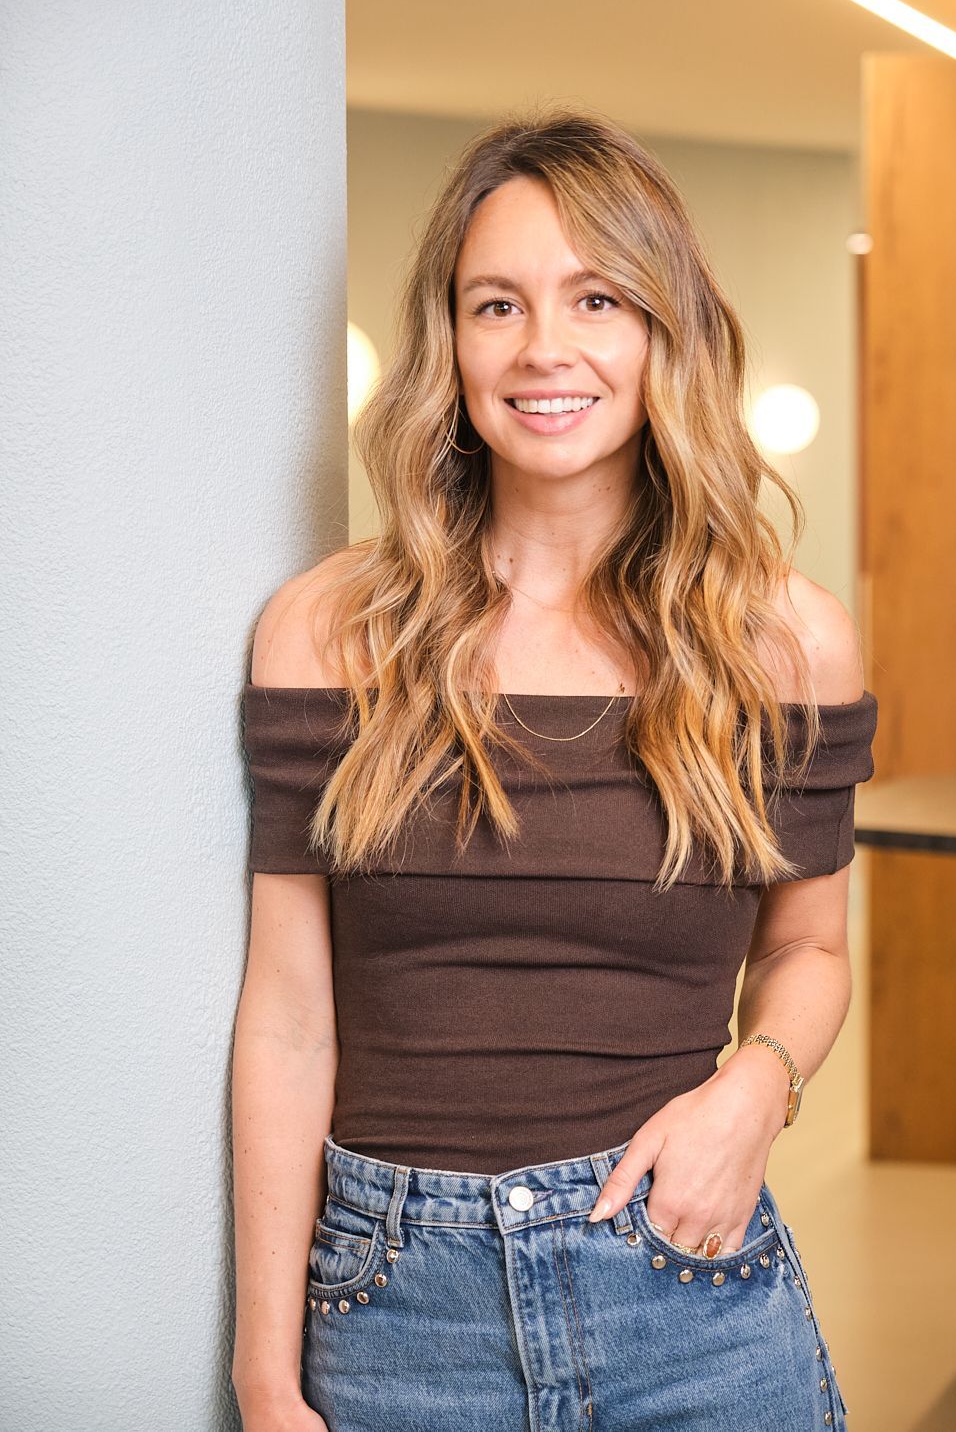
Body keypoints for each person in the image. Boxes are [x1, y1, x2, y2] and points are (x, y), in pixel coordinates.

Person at [231, 108, 877, 1432]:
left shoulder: (783, 641)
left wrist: (755, 1090)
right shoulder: (330, 632)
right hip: (396, 1310)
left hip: (688, 1287)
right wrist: (263, 1371)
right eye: (497, 304)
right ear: (450, 343)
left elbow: (809, 948)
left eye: (596, 298)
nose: (543, 348)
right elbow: (289, 1019)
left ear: (664, 333)